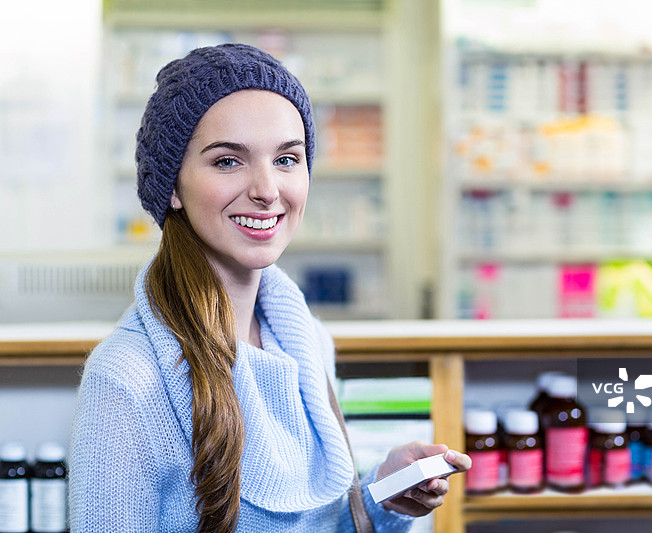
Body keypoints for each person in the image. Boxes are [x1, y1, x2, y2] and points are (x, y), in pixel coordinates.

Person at [68, 43, 470, 533]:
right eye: (227, 162)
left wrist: (382, 496)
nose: (267, 190)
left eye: (286, 159)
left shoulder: (303, 338)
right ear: (172, 187)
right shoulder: (128, 381)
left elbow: (309, 524)